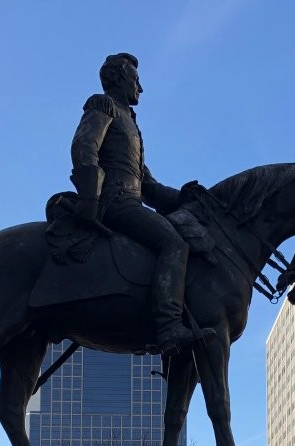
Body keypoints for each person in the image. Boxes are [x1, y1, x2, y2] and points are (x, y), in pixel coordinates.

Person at [70, 53, 205, 355]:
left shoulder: (129, 122)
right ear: (119, 79)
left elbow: (148, 186)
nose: (140, 88)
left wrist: (184, 197)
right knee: (175, 243)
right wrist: (90, 198)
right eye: (136, 80)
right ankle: (169, 327)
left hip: (130, 200)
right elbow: (84, 146)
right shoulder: (102, 104)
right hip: (114, 202)